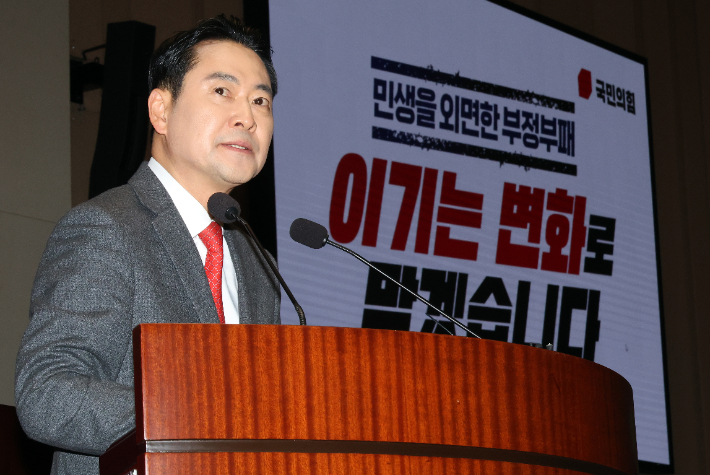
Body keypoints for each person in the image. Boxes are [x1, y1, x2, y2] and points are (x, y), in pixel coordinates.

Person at [15, 15, 281, 475]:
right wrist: (199, 416)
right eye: (223, 91)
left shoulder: (260, 265)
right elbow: (47, 392)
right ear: (160, 110)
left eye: (261, 100)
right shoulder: (107, 228)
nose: (248, 117)